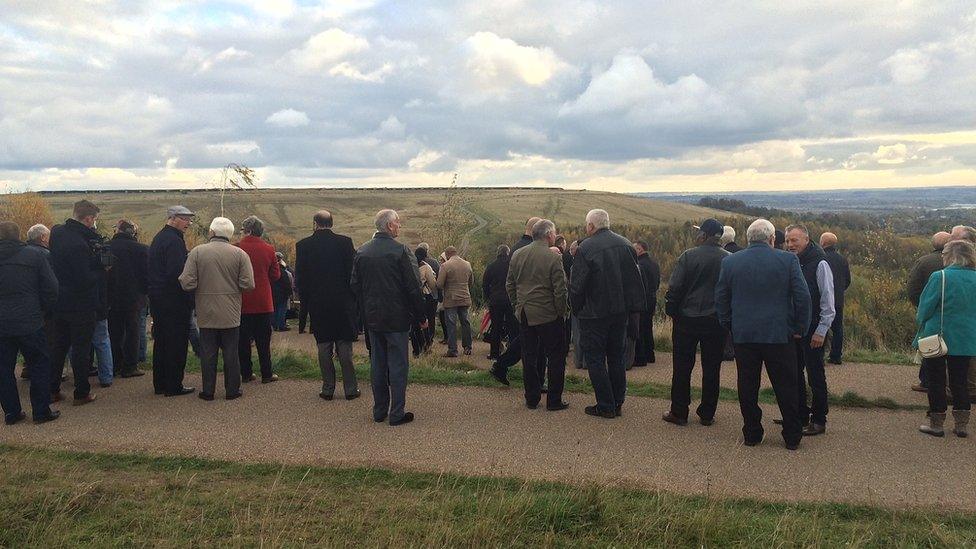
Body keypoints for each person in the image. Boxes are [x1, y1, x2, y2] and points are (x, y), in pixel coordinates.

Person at [715, 219, 811, 450]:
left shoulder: (731, 262)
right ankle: (792, 435)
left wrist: (729, 323)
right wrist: (800, 328)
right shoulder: (788, 260)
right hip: (779, 335)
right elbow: (803, 297)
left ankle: (752, 432)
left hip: (745, 335)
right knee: (786, 385)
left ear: (748, 239)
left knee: (747, 385)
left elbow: (721, 298)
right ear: (772, 239)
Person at [351, 209, 427, 426]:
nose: (400, 227)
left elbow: (354, 285)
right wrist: (421, 316)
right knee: (398, 365)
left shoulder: (362, 251)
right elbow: (413, 287)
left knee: (378, 363)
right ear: (390, 226)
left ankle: (379, 410)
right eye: (398, 223)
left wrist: (367, 305)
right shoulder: (401, 251)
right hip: (397, 318)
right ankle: (397, 413)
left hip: (372, 318)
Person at [570, 209, 645, 418]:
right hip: (620, 313)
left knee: (594, 358)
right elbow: (634, 281)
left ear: (591, 226)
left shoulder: (586, 248)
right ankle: (617, 401)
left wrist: (576, 309)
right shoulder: (626, 245)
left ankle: (605, 404)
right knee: (616, 357)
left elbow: (577, 286)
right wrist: (633, 309)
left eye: (587, 225)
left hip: (594, 314)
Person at [662, 219, 730, 426]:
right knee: (712, 368)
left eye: (699, 232)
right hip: (716, 321)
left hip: (687, 320)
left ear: (704, 235)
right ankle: (707, 413)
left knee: (682, 367)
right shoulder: (729, 259)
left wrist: (672, 312)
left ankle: (679, 411)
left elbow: (675, 287)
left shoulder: (689, 256)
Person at [178, 217, 254, 401]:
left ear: (211, 232)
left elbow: (186, 282)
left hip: (206, 310)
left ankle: (208, 390)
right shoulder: (239, 254)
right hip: (231, 310)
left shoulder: (197, 252)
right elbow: (249, 284)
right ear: (230, 234)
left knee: (208, 352)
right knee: (231, 351)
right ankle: (232, 390)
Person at [294, 210, 361, 401]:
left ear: (315, 223)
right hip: (343, 303)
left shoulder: (303, 245)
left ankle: (328, 388)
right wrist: (352, 298)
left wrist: (306, 304)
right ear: (331, 223)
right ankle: (350, 388)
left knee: (323, 347)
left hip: (318, 304)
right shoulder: (345, 243)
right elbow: (353, 274)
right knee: (344, 347)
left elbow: (300, 279)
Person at [0, 221, 60, 425]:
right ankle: (41, 411)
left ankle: (11, 412)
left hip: (2, 325)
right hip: (31, 320)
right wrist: (44, 311)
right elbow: (51, 288)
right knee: (39, 365)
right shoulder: (35, 255)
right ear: (18, 236)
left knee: (4, 369)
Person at [506, 219, 569, 411]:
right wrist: (562, 312)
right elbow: (560, 290)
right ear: (549, 235)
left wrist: (517, 305)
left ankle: (532, 398)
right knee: (556, 357)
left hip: (525, 313)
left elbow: (510, 284)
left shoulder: (517, 254)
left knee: (529, 356)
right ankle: (554, 400)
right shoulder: (553, 258)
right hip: (549, 314)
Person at [915, 240, 976, 438]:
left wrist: (921, 323)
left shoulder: (939, 277)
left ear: (950, 256)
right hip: (966, 337)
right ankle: (961, 425)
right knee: (960, 381)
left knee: (936, 380)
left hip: (937, 335)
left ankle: (937, 423)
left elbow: (924, 309)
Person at [49, 199, 107, 405]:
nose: (94, 224)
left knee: (59, 346)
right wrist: (101, 269)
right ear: (88, 218)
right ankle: (81, 392)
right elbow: (84, 279)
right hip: (81, 303)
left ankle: (52, 389)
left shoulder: (57, 233)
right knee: (81, 349)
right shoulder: (79, 244)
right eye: (94, 220)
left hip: (59, 300)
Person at [785, 224, 836, 436]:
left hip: (814, 329)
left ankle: (819, 419)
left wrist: (822, 329)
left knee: (815, 375)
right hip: (793, 328)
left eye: (794, 240)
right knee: (794, 373)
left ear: (806, 240)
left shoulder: (820, 262)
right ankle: (798, 415)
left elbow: (828, 300)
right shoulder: (790, 261)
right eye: (787, 241)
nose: (790, 245)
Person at [148, 205, 196, 397]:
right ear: (173, 218)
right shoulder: (174, 241)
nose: (188, 223)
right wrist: (188, 295)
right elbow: (177, 273)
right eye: (185, 219)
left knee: (162, 342)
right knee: (176, 343)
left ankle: (160, 383)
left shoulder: (160, 238)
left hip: (158, 299)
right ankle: (174, 384)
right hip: (173, 301)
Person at [237, 216, 281, 384]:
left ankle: (246, 373)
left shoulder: (237, 247)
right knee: (264, 341)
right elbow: (275, 275)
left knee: (243, 341)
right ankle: (267, 373)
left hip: (242, 301)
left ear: (247, 230)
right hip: (263, 301)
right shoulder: (269, 249)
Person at [907, 231, 952, 392]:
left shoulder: (924, 262)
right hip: (958, 313)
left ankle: (927, 381)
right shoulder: (963, 262)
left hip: (931, 311)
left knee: (931, 346)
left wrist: (920, 306)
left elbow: (913, 287)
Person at [106, 220, 148, 378]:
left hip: (111, 296)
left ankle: (115, 363)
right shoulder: (142, 249)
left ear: (118, 231)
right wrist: (144, 292)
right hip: (134, 297)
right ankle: (130, 366)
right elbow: (146, 274)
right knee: (133, 331)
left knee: (114, 331)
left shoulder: (107, 247)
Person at [19, 224, 52, 380]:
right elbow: (50, 283)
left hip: (24, 304)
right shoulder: (45, 255)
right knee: (45, 339)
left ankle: (27, 366)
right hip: (40, 305)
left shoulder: (22, 253)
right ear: (43, 237)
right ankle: (46, 372)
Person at [820, 232, 851, 365]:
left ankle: (819, 355)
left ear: (823, 243)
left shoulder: (821, 259)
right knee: (838, 329)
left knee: (822, 326)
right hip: (838, 299)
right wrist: (839, 291)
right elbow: (848, 280)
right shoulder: (842, 259)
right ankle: (836, 356)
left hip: (824, 299)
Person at [437, 246, 473, 357]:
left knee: (451, 324)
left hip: (451, 299)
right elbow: (471, 282)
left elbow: (439, 284)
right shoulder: (467, 264)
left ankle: (453, 350)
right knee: (465, 323)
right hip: (465, 297)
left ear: (447, 254)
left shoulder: (445, 265)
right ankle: (467, 347)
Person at [482, 245, 512, 361]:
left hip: (495, 300)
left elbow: (485, 284)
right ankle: (511, 353)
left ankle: (494, 354)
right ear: (508, 253)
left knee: (496, 327)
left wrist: (488, 298)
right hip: (510, 299)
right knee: (511, 326)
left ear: (498, 253)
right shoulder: (511, 265)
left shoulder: (491, 266)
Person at [633, 240, 660, 367]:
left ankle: (641, 357)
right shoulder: (654, 264)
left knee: (640, 328)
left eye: (635, 249)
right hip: (652, 298)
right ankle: (650, 354)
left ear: (640, 249)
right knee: (648, 326)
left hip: (643, 299)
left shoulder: (639, 265)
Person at [411, 247, 438, 357]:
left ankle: (416, 350)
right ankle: (427, 344)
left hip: (411, 297)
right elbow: (432, 283)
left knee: (414, 324)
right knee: (425, 321)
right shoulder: (426, 267)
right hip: (424, 296)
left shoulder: (410, 265)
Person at [272, 252, 293, 331]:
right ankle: (281, 325)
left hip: (273, 293)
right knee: (281, 309)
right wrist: (290, 293)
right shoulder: (283, 272)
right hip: (282, 293)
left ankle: (274, 325)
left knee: (275, 309)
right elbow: (287, 283)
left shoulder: (270, 271)